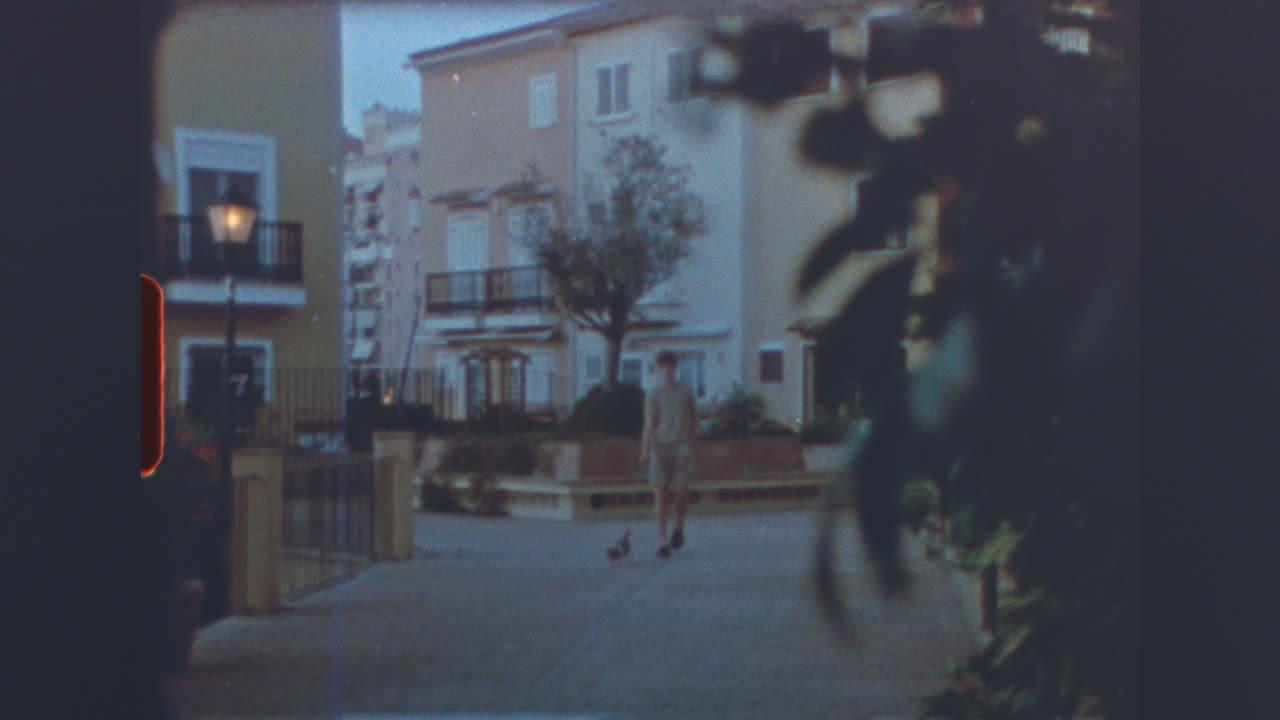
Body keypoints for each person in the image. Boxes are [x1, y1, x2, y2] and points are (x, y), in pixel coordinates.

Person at [639, 350, 698, 558]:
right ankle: (662, 541)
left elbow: (694, 418)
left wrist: (691, 443)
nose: (667, 370)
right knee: (660, 493)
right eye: (663, 366)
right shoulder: (653, 393)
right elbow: (649, 424)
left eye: (671, 365)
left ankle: (678, 527)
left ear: (675, 367)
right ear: (657, 368)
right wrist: (645, 451)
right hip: (659, 447)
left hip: (681, 445)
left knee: (681, 491)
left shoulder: (686, 391)